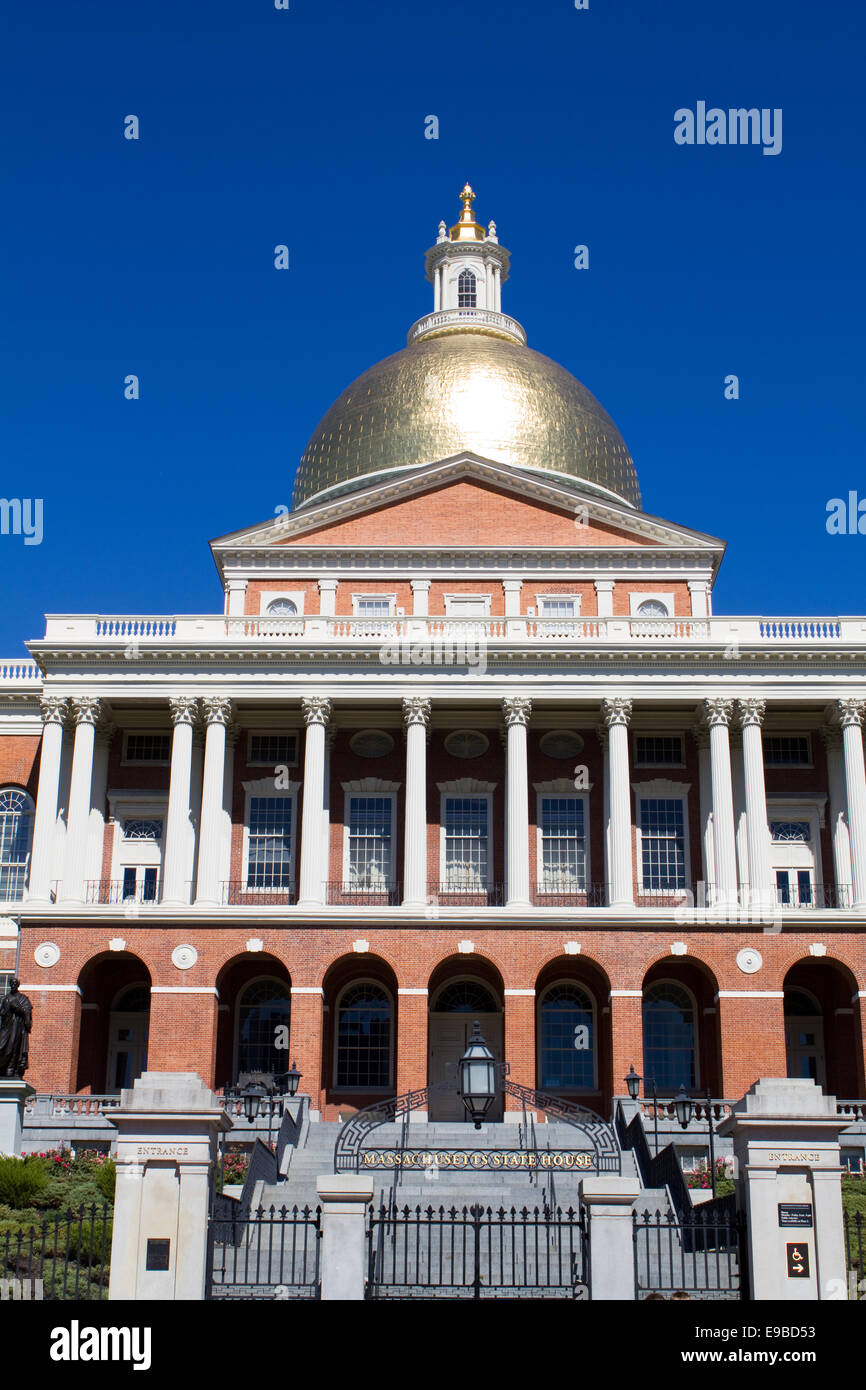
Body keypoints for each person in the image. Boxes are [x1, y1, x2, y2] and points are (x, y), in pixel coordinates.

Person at [0, 978, 33, 1078]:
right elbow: (2, 1012)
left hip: (17, 1027)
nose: (13, 985)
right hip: (6, 1027)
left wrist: (19, 1009)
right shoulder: (5, 998)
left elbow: (27, 1011)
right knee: (2, 1046)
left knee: (14, 1048)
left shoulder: (23, 998)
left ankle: (11, 1069)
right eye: (12, 983)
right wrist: (8, 1008)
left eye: (15, 983)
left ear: (17, 985)